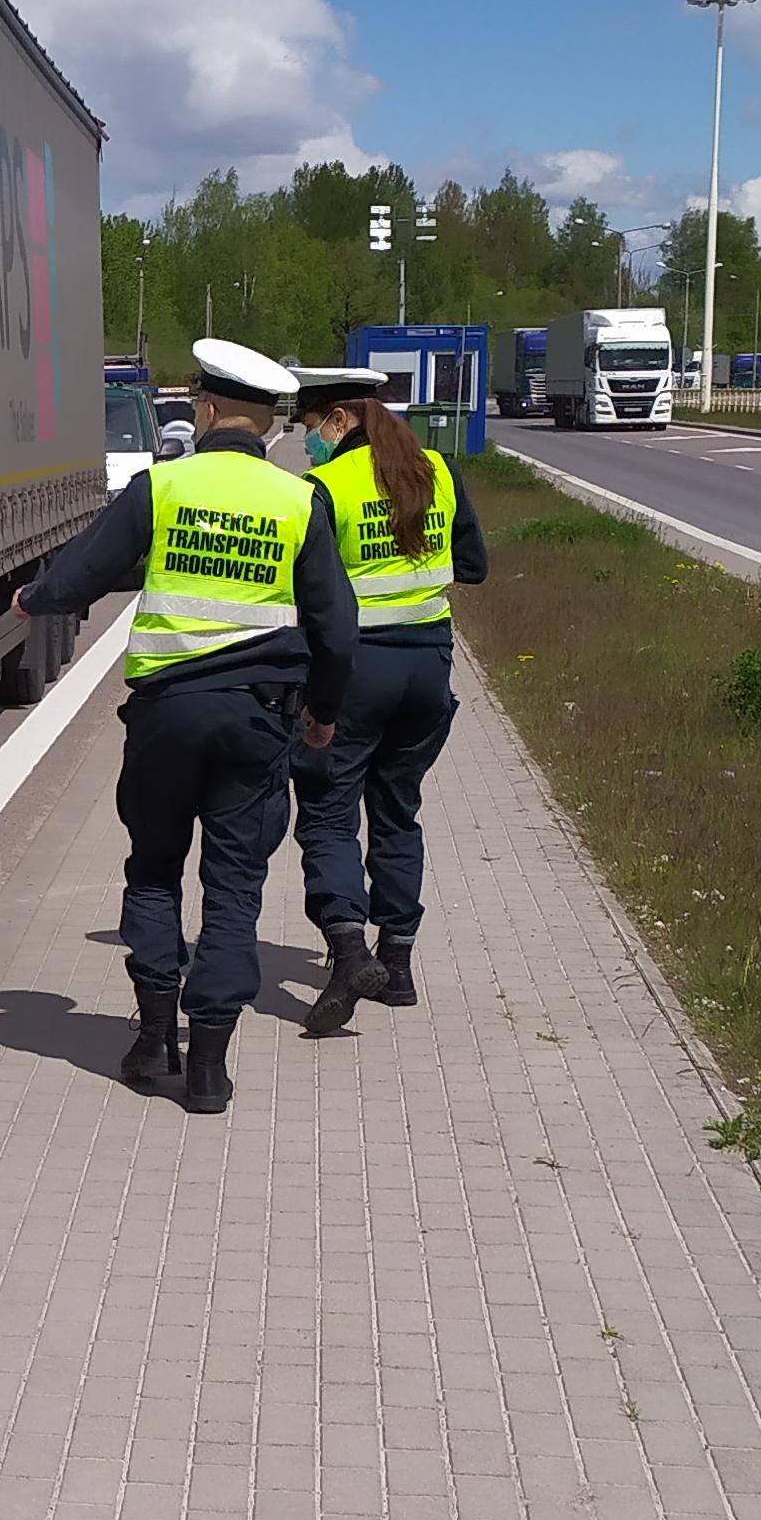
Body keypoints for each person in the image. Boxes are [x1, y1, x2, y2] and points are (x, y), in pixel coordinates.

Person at [19, 337, 355, 1113]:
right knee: (234, 889)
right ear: (269, 424)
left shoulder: (163, 485)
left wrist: (33, 599)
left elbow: (84, 570)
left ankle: (151, 1038)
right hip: (257, 722)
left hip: (166, 718)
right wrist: (323, 715)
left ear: (204, 411)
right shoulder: (297, 501)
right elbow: (336, 628)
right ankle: (208, 1066)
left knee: (154, 870)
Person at [288, 367, 490, 1034]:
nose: (308, 440)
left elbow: (307, 589)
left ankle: (350, 948)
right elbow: (474, 566)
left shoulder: (326, 486)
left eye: (310, 425)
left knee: (328, 811)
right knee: (398, 813)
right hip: (427, 666)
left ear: (338, 419)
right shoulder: (435, 470)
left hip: (356, 671)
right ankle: (397, 965)